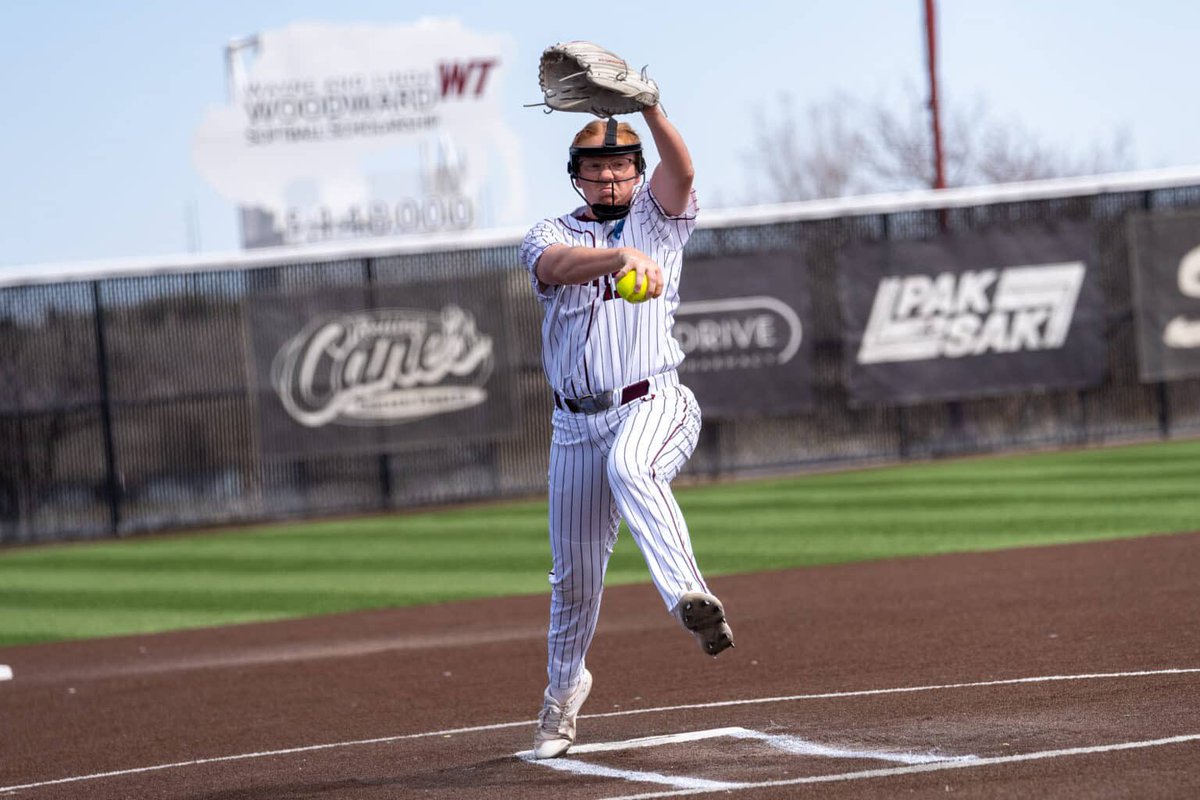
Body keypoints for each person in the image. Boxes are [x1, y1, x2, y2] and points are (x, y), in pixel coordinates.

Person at [518, 104, 734, 761]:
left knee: (633, 468)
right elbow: (555, 266)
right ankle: (562, 697)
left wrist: (649, 107)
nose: (608, 176)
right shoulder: (546, 232)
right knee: (574, 580)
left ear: (637, 171)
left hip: (654, 400)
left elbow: (684, 167)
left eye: (619, 164)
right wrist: (616, 256)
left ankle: (690, 598)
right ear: (575, 176)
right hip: (574, 423)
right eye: (594, 167)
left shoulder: (659, 217)